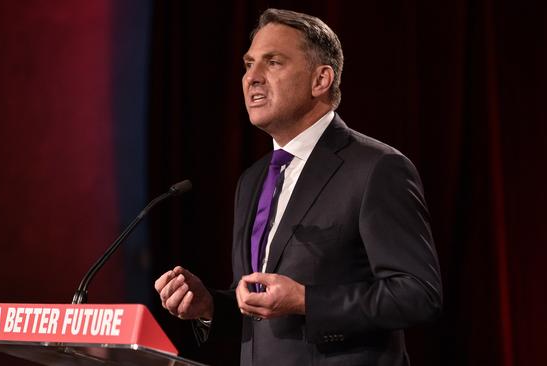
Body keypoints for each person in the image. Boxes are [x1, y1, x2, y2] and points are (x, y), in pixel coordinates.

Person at [155, 8, 442, 366]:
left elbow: (418, 295)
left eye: (272, 62)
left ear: (320, 80)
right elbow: (261, 308)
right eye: (248, 64)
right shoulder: (252, 180)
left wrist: (307, 300)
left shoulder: (377, 168)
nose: (251, 78)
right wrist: (210, 305)